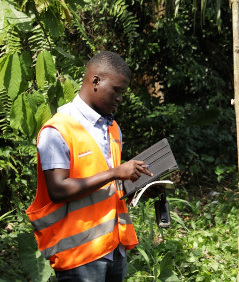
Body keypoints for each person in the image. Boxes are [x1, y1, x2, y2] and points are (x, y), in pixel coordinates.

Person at [26, 51, 153, 281]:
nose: (120, 99)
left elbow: (106, 185)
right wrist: (116, 172)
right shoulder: (57, 130)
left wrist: (139, 183)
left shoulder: (113, 128)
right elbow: (58, 190)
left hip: (114, 247)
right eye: (116, 90)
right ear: (95, 81)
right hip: (79, 256)